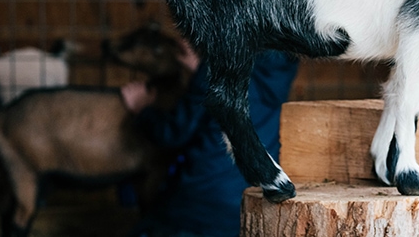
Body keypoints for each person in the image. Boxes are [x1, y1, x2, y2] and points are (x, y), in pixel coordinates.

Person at [121, 41, 299, 237]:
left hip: (202, 200)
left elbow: (173, 133)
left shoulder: (216, 63)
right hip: (251, 199)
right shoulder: (283, 64)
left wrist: (142, 108)